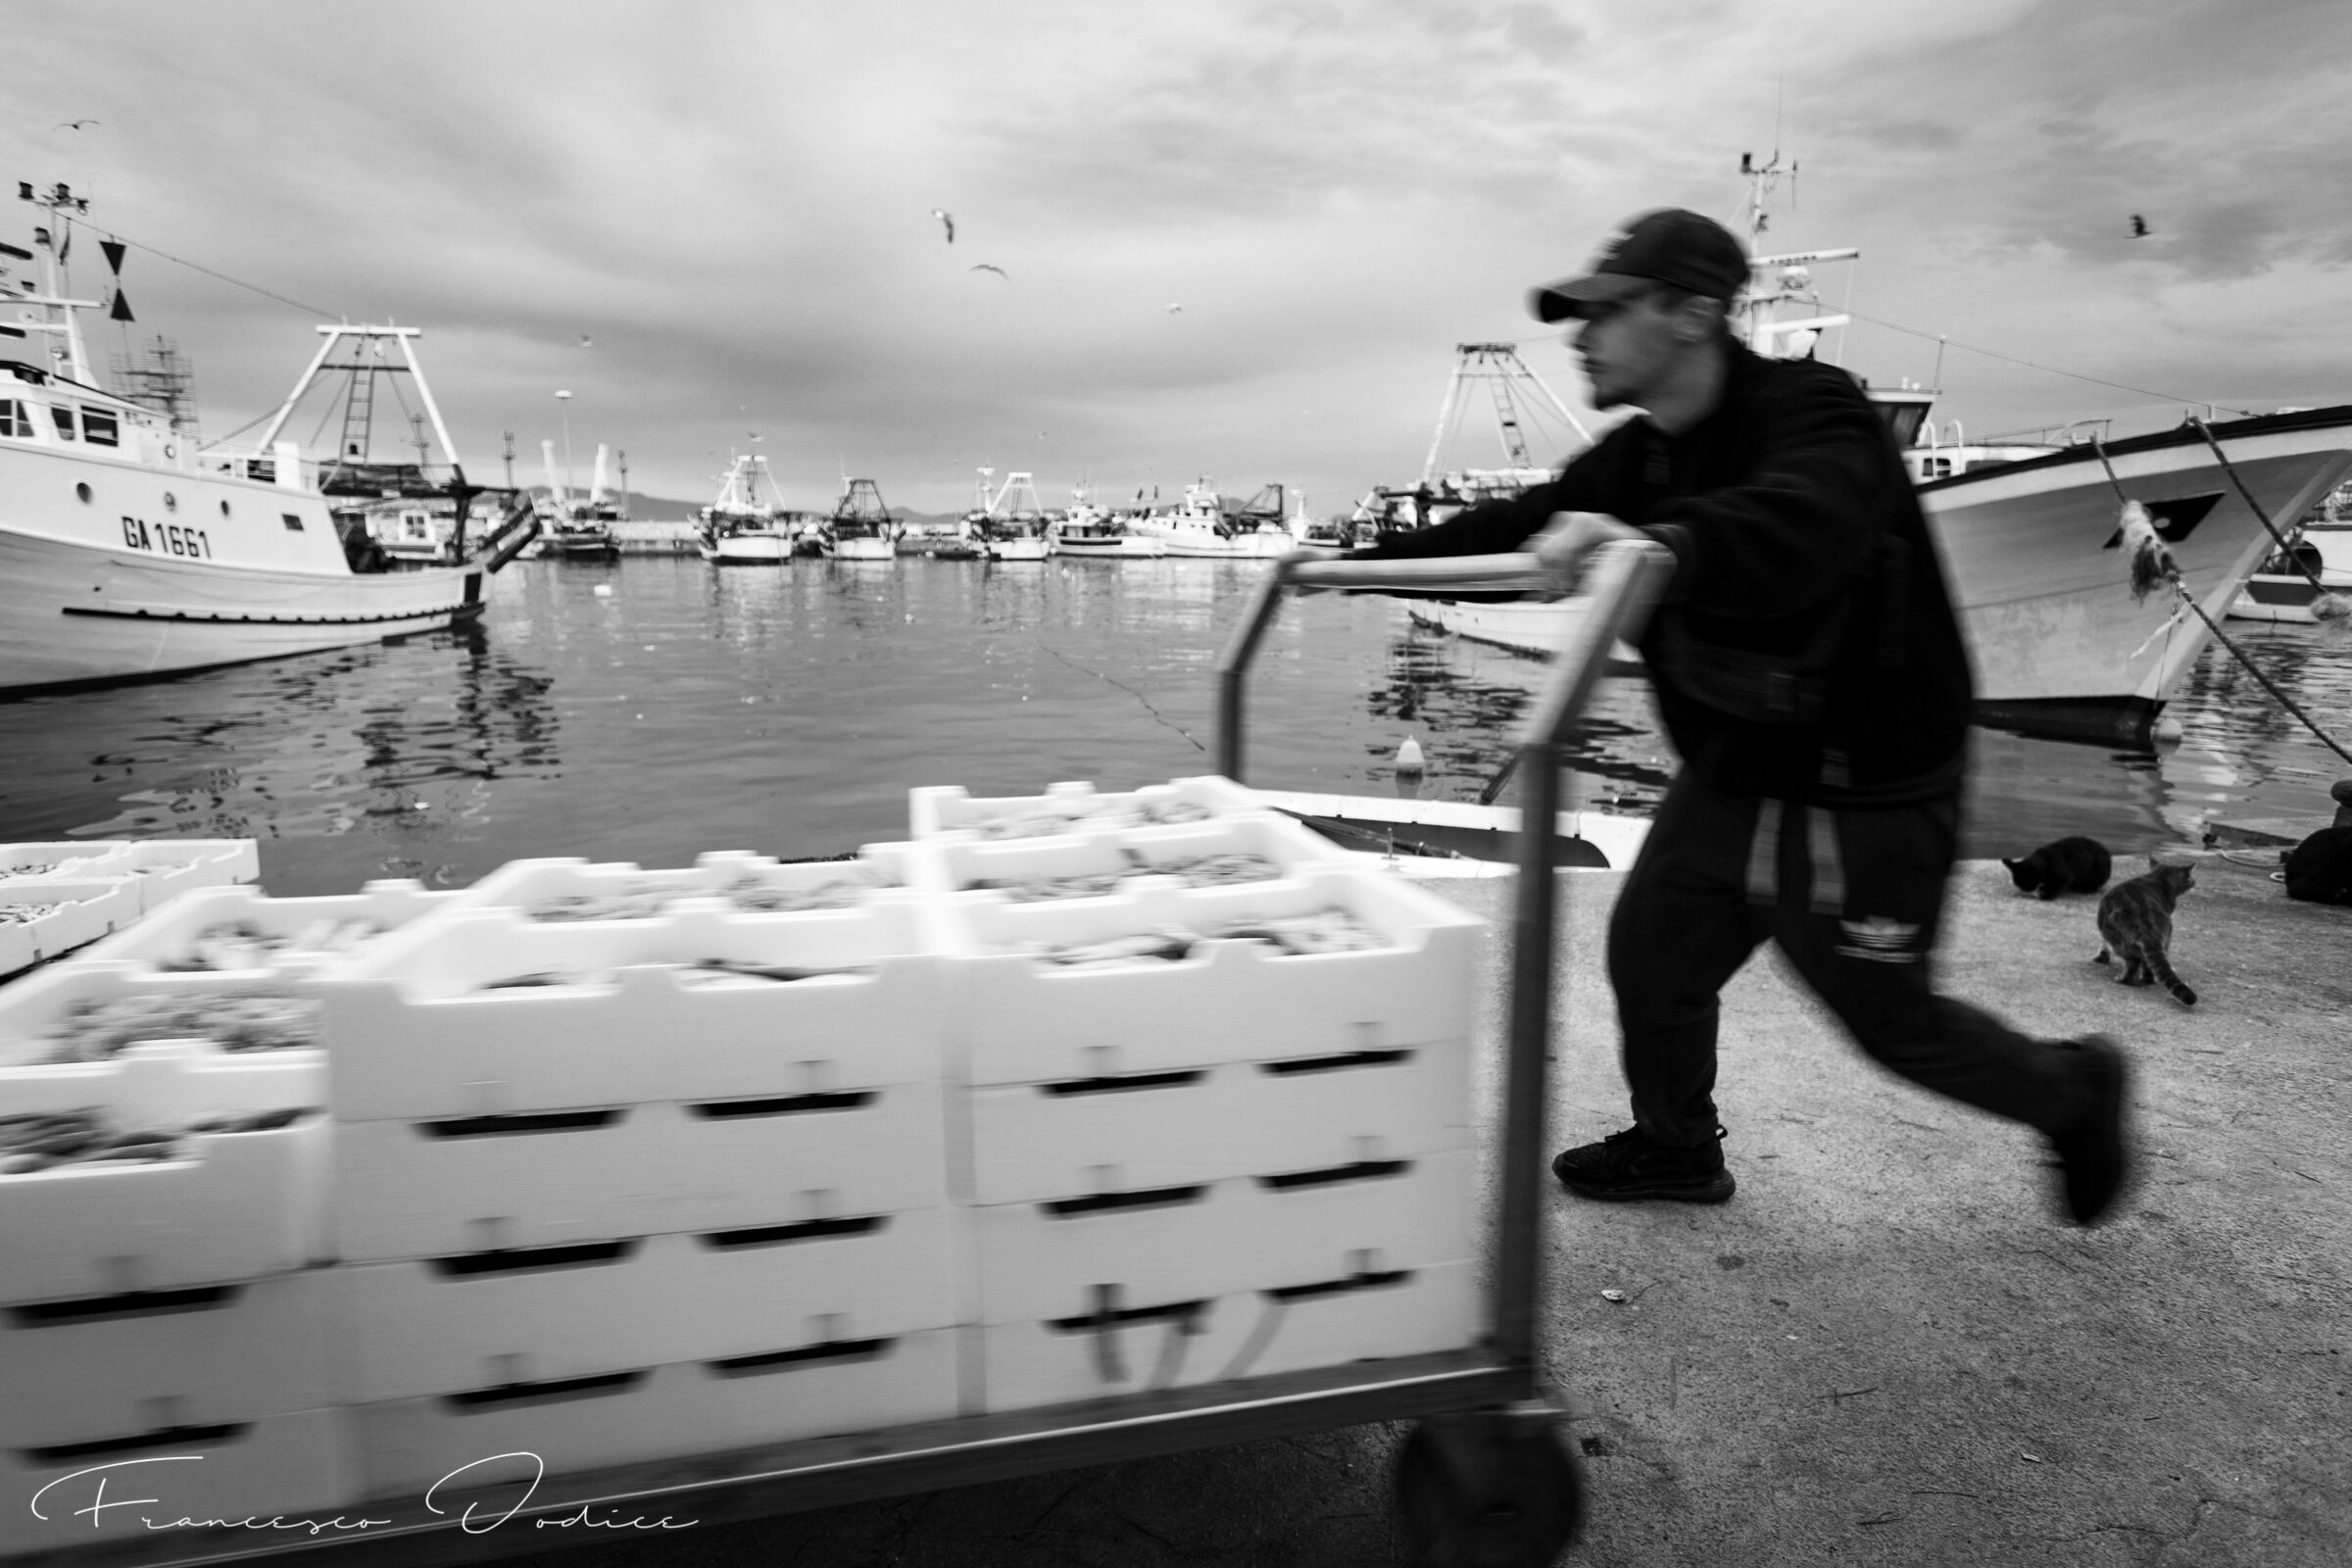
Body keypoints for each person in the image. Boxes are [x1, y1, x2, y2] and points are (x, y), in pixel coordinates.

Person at [1331, 208, 2133, 1227]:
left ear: (1693, 315)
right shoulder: (1640, 456)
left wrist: (1663, 544)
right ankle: (1676, 1149)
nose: (1579, 336)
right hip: (1734, 774)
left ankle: (2075, 1092)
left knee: (1896, 1027)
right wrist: (1344, 574)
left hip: (1861, 792)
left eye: (1604, 313)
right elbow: (1522, 530)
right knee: (1653, 962)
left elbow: (1805, 517)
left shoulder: (1814, 413)